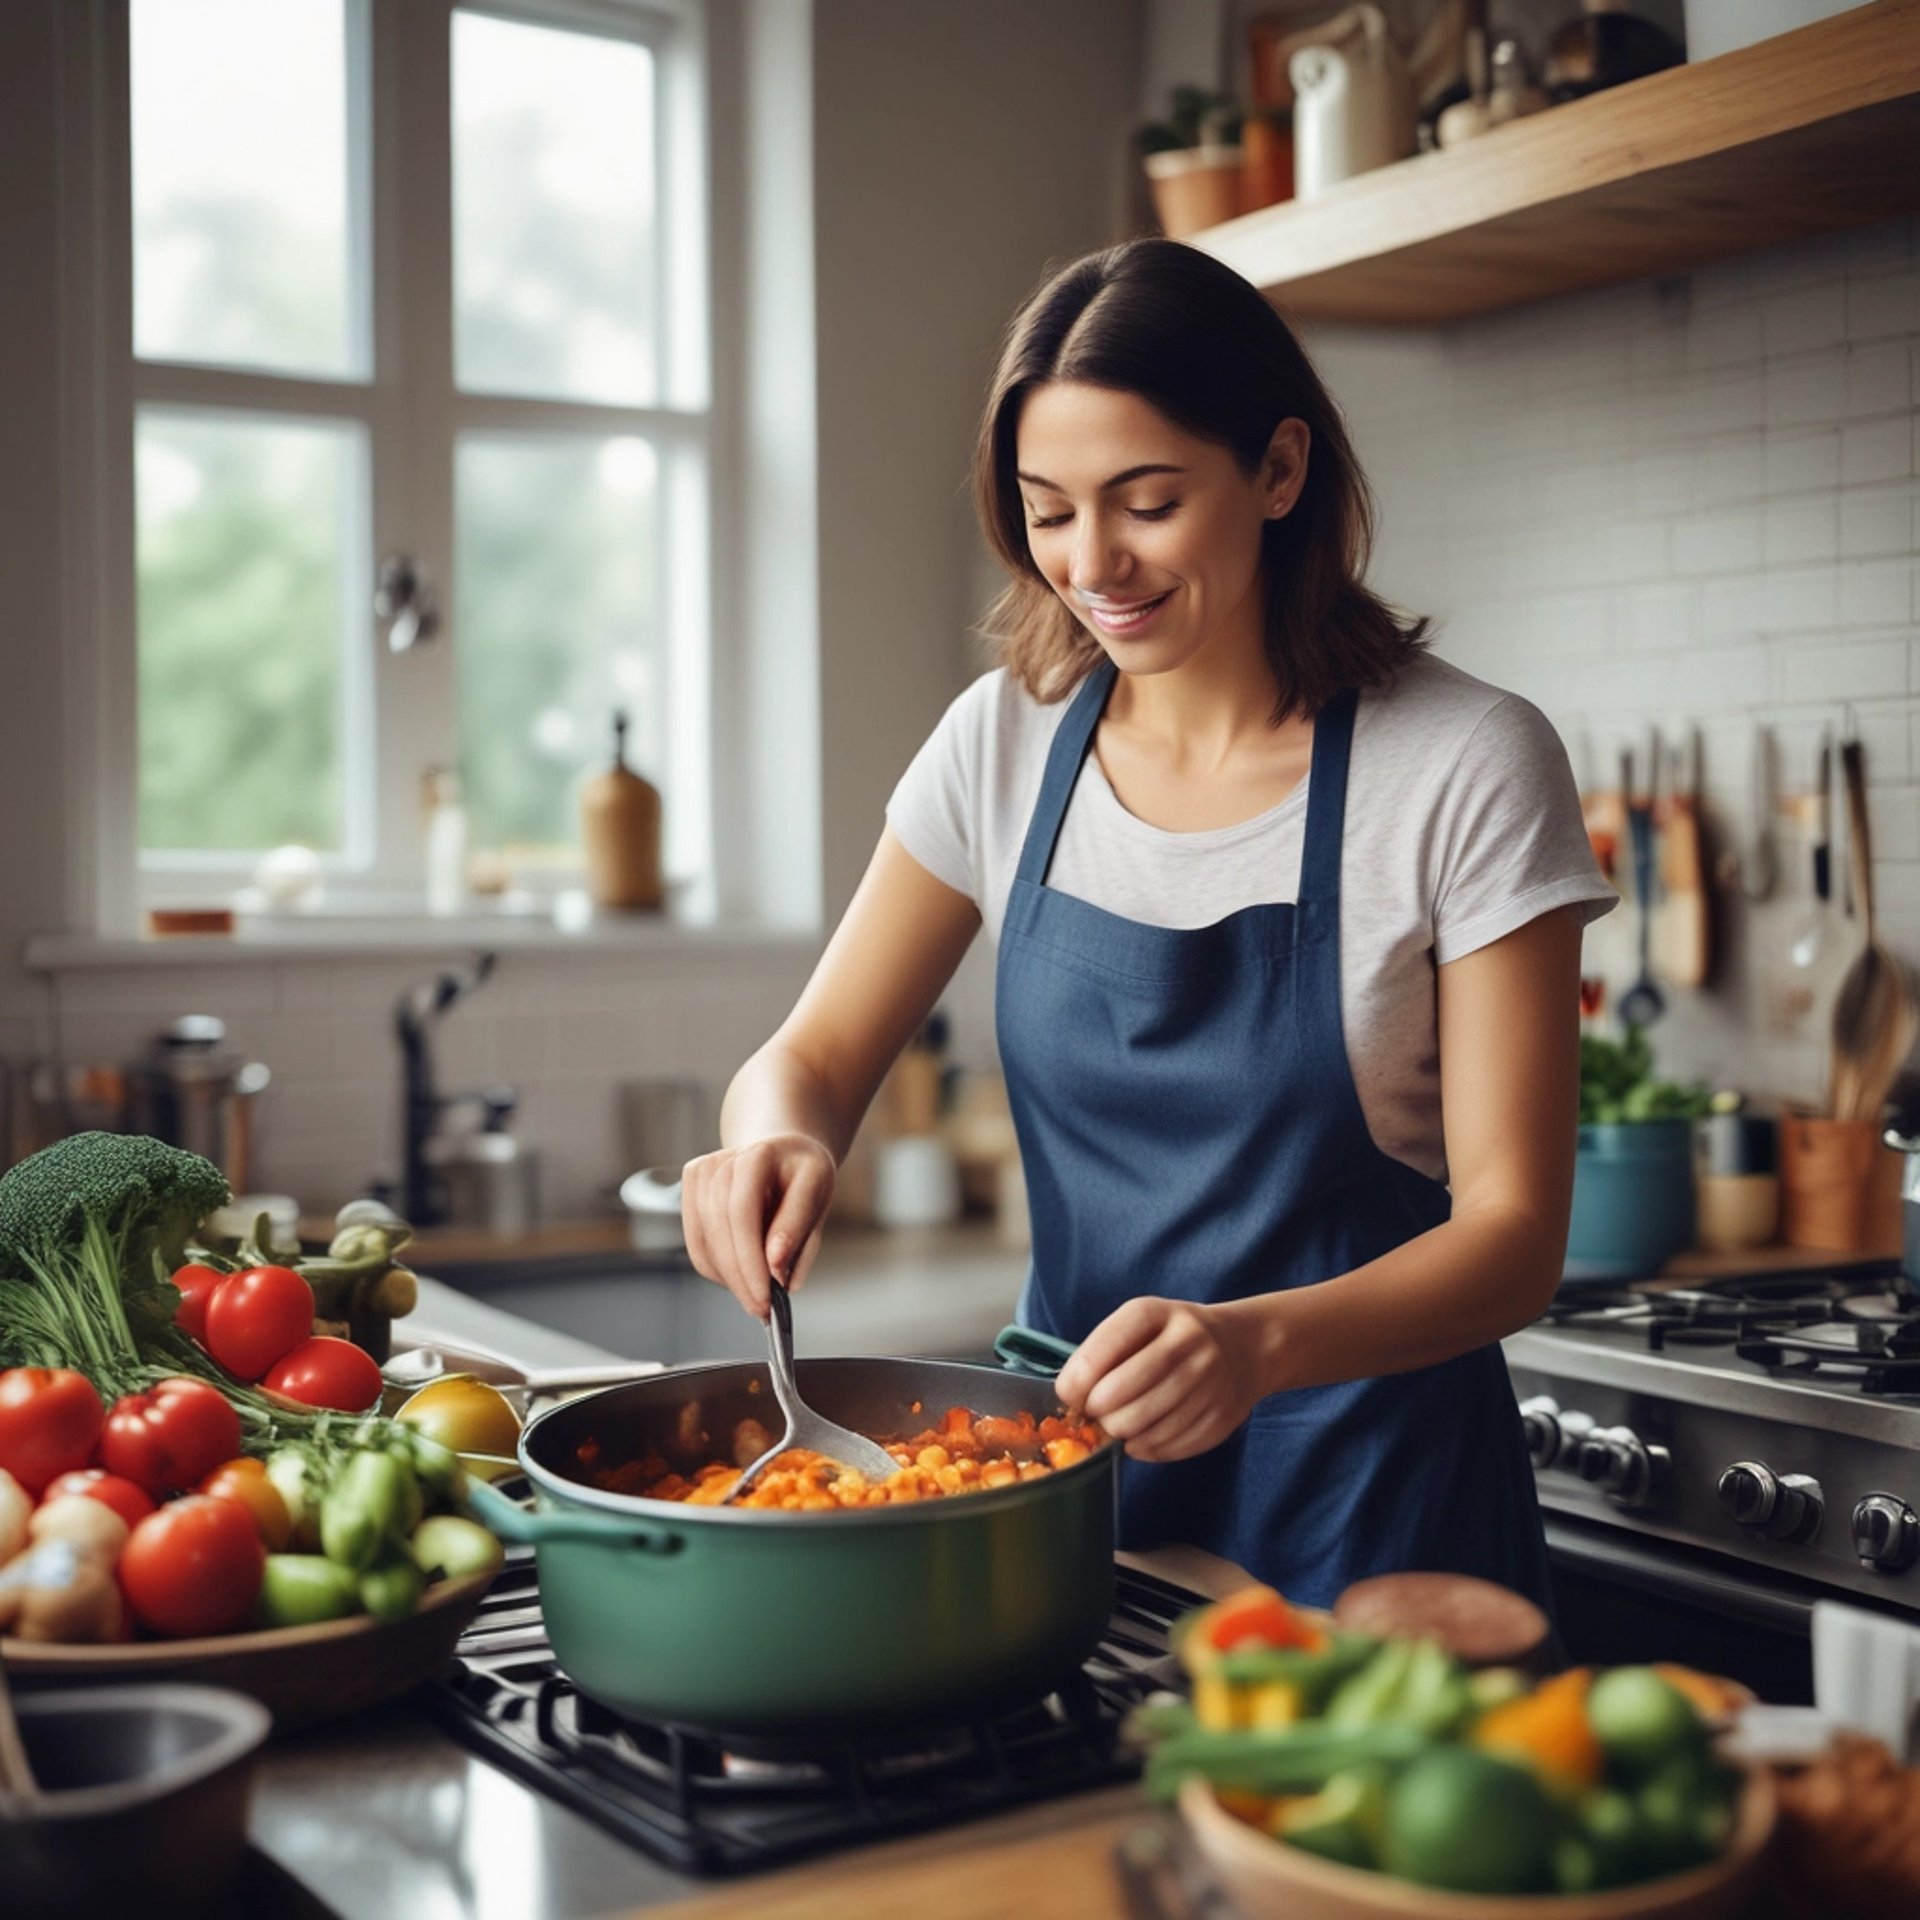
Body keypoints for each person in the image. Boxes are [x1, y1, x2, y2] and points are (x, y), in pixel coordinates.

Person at [681, 238, 1615, 1609]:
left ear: (1280, 473)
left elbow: (1517, 1232)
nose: (1091, 563)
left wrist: (1254, 1348)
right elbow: (810, 1059)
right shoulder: (1003, 741)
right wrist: (768, 1141)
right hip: (1072, 1495)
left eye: (1148, 502)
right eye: (1047, 511)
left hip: (1372, 1515)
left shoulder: (1466, 760)